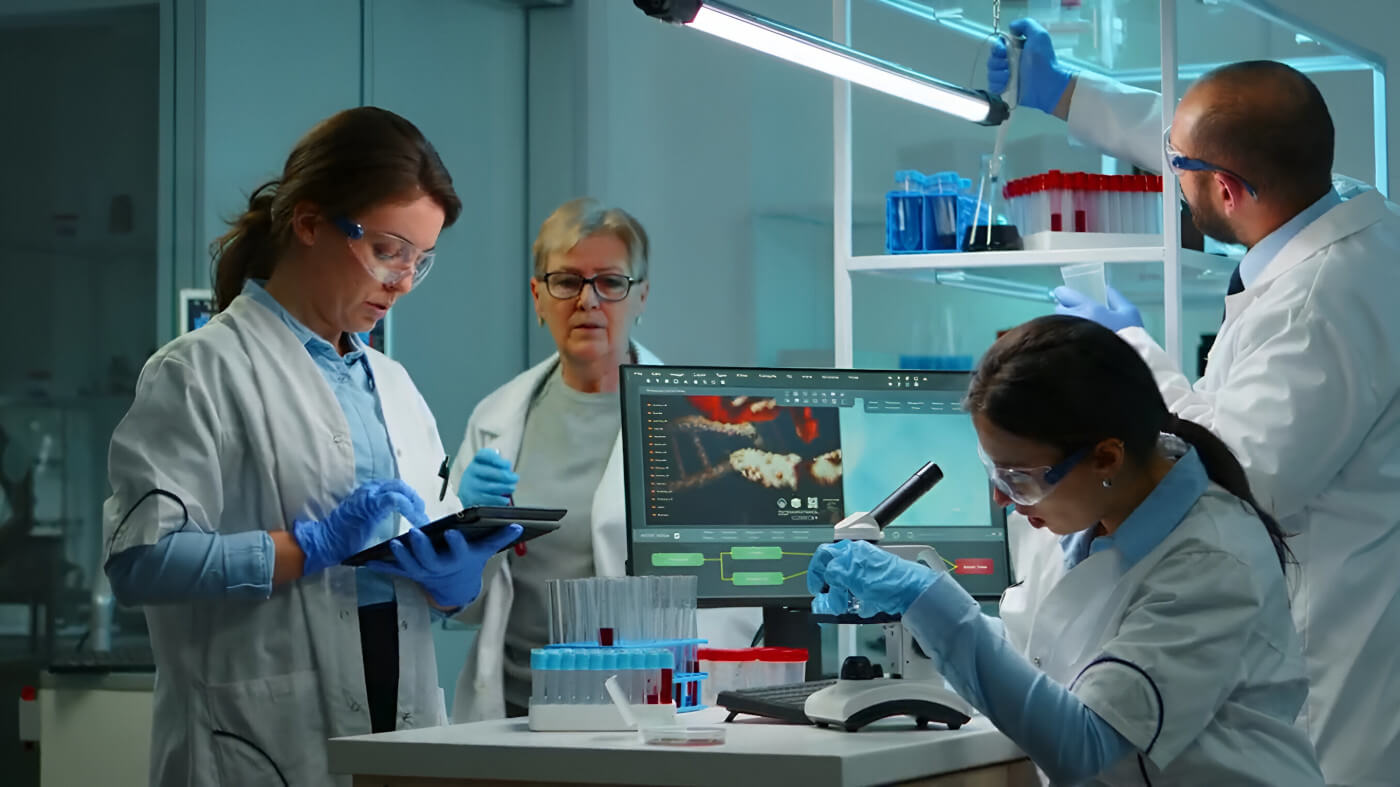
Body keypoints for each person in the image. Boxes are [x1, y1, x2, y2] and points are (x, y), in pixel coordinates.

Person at [990, 23, 1400, 784]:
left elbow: (1228, 482)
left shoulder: (1319, 306)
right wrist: (1071, 95)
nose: (1166, 171)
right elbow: (1221, 140)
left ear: (1227, 190)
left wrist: (1130, 360)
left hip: (1330, 672)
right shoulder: (1341, 219)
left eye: (1177, 169)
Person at [102, 107, 519, 787]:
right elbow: (138, 559)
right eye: (388, 249)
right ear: (307, 222)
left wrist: (456, 580)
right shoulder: (199, 369)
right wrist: (307, 548)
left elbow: (430, 571)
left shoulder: (395, 386)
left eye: (421, 258)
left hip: (402, 730)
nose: (403, 279)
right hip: (253, 744)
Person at [809, 315, 1323, 785]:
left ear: (1105, 458)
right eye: (994, 472)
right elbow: (1038, 656)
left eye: (1017, 477)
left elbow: (1085, 743)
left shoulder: (1210, 558)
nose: (1001, 499)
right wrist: (914, 609)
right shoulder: (1084, 518)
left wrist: (931, 601)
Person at [448, 198, 760, 721]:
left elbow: (735, 597)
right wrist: (463, 531)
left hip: (651, 711)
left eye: (610, 282)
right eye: (566, 281)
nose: (587, 301)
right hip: (517, 712)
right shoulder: (495, 417)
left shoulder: (702, 422)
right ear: (538, 297)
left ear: (641, 296)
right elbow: (465, 603)